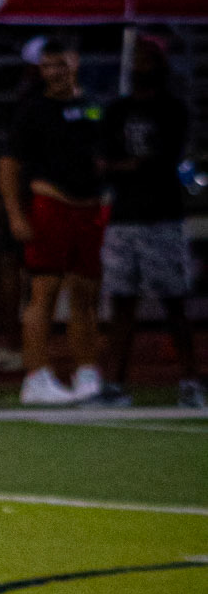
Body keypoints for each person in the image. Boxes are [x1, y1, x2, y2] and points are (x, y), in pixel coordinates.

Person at [0, 37, 105, 406]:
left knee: (86, 293)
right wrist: (16, 214)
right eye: (47, 66)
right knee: (44, 291)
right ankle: (36, 376)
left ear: (75, 62)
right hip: (51, 205)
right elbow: (9, 165)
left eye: (60, 64)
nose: (54, 73)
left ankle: (86, 372)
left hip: (90, 208)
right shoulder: (33, 109)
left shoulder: (92, 104)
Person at [97, 41, 201, 407]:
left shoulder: (172, 109)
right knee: (121, 304)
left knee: (174, 303)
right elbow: (104, 160)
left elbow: (163, 159)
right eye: (137, 59)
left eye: (148, 60)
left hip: (162, 217)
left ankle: (190, 382)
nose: (141, 66)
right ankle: (114, 384)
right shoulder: (117, 110)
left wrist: (126, 166)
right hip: (124, 217)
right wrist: (128, 166)